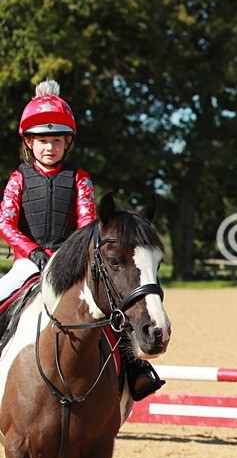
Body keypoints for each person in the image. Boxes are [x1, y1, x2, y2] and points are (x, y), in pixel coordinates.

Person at [0, 79, 164, 400]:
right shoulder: (18, 179)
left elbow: (88, 224)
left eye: (57, 141)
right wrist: (32, 252)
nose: (50, 147)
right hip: (27, 265)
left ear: (68, 143)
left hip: (70, 265)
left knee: (110, 307)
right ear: (29, 142)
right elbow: (5, 223)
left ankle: (136, 370)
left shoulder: (80, 179)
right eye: (42, 140)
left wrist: (65, 256)